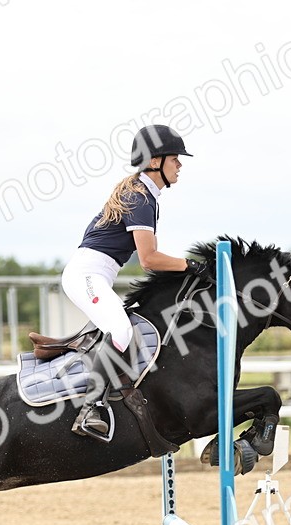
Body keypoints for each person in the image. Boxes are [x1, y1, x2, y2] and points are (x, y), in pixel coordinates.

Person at [61, 124, 213, 439]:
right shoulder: (139, 196)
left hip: (97, 273)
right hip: (86, 275)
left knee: (127, 327)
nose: (180, 165)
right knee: (121, 330)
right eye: (175, 159)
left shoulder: (146, 195)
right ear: (155, 161)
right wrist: (189, 265)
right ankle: (90, 409)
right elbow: (149, 259)